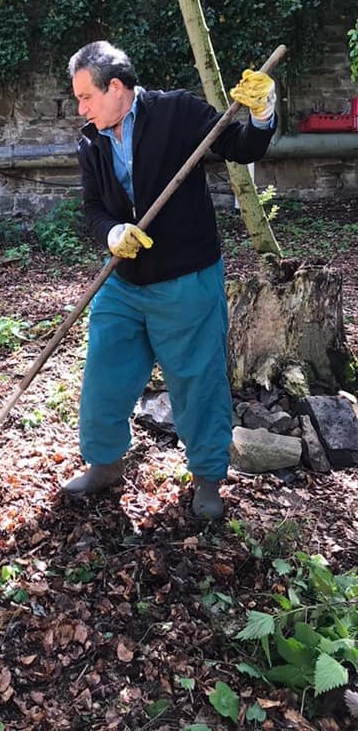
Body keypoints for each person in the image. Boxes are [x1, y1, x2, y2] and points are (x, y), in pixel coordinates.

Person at [64, 41, 277, 518]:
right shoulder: (91, 139)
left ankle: (206, 479)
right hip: (123, 280)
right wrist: (113, 232)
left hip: (186, 280)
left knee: (196, 381)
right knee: (104, 373)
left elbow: (242, 147)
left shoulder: (178, 112)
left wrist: (263, 112)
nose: (81, 108)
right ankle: (105, 462)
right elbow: (94, 209)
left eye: (86, 96)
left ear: (115, 87)